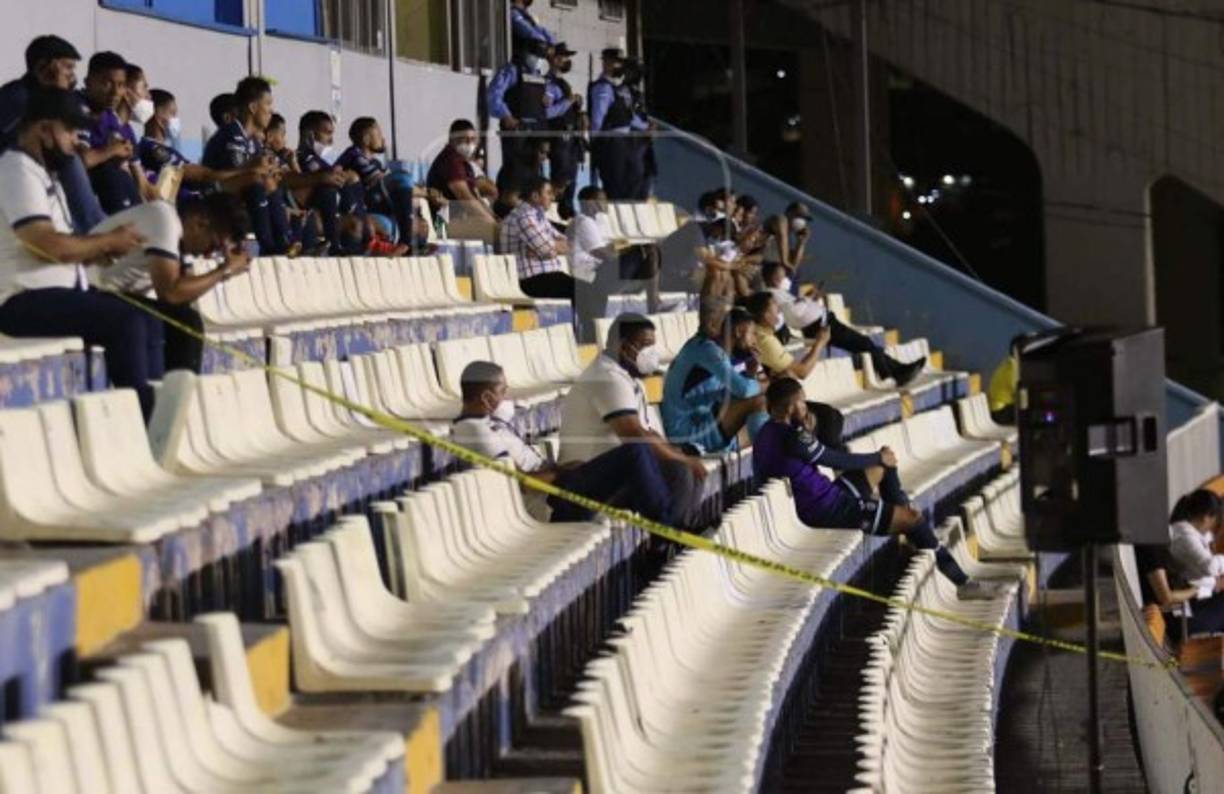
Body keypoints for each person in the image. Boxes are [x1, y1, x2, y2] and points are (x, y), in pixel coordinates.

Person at [0, 87, 156, 415]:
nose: (77, 141)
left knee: (148, 316)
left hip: (57, 293)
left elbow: (61, 245)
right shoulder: (16, 170)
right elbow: (44, 243)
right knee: (124, 320)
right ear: (43, 130)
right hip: (20, 300)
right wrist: (108, 241)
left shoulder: (44, 172)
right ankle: (143, 421)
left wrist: (99, 253)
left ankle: (152, 406)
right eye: (69, 131)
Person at [754, 378, 970, 586]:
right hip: (828, 509)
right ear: (792, 407)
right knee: (912, 517)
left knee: (885, 465)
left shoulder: (766, 434)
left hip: (826, 497)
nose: (807, 407)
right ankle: (960, 581)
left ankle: (902, 516)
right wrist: (876, 457)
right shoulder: (791, 438)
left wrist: (879, 460)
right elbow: (837, 460)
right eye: (803, 401)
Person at [453, 360, 690, 526]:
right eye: (502, 391)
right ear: (486, 397)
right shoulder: (476, 432)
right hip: (551, 504)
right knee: (635, 452)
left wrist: (563, 470)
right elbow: (523, 484)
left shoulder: (487, 423)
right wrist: (561, 474)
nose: (507, 396)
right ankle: (668, 527)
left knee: (655, 469)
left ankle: (667, 530)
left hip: (559, 486)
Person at [557, 313, 704, 529]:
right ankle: (670, 536)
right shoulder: (606, 377)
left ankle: (681, 533)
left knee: (684, 465)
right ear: (624, 347)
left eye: (652, 346)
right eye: (645, 345)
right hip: (590, 479)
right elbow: (633, 434)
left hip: (620, 472)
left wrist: (681, 456)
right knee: (678, 470)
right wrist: (680, 460)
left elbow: (648, 433)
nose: (651, 353)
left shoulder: (628, 378)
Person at [94, 193, 251, 375]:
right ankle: (169, 396)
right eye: (212, 246)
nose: (207, 255)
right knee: (185, 322)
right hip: (90, 292)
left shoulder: (175, 234)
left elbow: (183, 295)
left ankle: (169, 394)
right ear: (200, 222)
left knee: (177, 319)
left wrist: (223, 269)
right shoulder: (164, 220)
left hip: (110, 296)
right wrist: (224, 270)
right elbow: (170, 294)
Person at [0, 35, 106, 233]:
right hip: (19, 186)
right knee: (67, 157)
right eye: (67, 67)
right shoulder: (17, 96)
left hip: (46, 185)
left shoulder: (50, 99)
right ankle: (95, 229)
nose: (71, 76)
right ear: (43, 67)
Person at [757, 268, 925, 386]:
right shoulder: (773, 294)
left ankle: (899, 370)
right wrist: (804, 301)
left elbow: (797, 308)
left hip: (824, 321)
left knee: (866, 344)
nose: (786, 278)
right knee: (865, 343)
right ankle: (891, 373)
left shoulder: (781, 293)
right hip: (820, 326)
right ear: (773, 278)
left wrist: (809, 298)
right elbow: (794, 311)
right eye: (782, 275)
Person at [662, 305, 767, 455]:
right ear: (738, 331)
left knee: (768, 415)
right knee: (760, 401)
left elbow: (730, 395)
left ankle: (769, 457)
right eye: (753, 334)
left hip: (703, 422)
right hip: (686, 432)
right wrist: (766, 385)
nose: (755, 341)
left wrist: (750, 375)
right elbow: (743, 390)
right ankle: (767, 460)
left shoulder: (719, 354)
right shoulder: (707, 350)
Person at [203, 76, 290, 256]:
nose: (271, 111)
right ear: (253, 107)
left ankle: (285, 241)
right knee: (256, 179)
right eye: (267, 104)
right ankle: (269, 245)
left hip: (237, 191)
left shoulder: (252, 140)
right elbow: (233, 174)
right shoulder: (232, 133)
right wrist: (256, 169)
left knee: (267, 181)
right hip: (214, 192)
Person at [569, 185, 659, 340]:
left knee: (650, 253)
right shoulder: (584, 222)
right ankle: (654, 305)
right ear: (591, 202)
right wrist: (623, 251)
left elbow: (606, 251)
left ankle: (652, 296)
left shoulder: (591, 222)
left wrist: (620, 250)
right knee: (649, 249)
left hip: (596, 273)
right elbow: (605, 255)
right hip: (591, 275)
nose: (606, 203)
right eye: (602, 199)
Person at [81, 51, 152, 215]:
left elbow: (142, 183)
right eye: (107, 83)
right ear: (88, 82)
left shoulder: (112, 118)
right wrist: (112, 151)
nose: (114, 92)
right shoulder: (77, 108)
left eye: (120, 85)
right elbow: (80, 160)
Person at [336, 116, 416, 244]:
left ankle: (407, 243)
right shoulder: (354, 155)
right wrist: (426, 192)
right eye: (379, 133)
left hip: (377, 211)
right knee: (403, 177)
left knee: (419, 224)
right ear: (366, 139)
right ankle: (405, 243)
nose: (383, 138)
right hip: (360, 213)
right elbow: (384, 182)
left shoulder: (375, 162)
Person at [487, 39, 552, 190]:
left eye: (541, 56)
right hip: (517, 130)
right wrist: (506, 115)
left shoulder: (540, 74)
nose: (538, 59)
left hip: (536, 133)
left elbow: (543, 105)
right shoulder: (511, 70)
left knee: (534, 176)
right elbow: (493, 95)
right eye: (535, 55)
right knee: (515, 173)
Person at [589, 47, 649, 200]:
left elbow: (628, 116)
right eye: (617, 63)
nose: (621, 67)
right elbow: (597, 119)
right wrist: (596, 142)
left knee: (631, 183)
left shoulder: (619, 88)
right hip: (612, 142)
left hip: (625, 141)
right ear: (607, 63)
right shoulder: (603, 87)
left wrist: (645, 126)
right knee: (616, 185)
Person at [500, 176, 572, 299]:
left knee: (587, 288)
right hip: (532, 279)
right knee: (582, 290)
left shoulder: (539, 216)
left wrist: (549, 248)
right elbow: (546, 250)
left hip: (548, 276)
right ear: (535, 196)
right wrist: (549, 249)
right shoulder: (523, 217)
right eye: (548, 193)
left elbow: (568, 243)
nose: (553, 198)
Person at [1166, 489, 1224, 635]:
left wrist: (1214, 584)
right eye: (1216, 521)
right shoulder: (1185, 537)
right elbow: (1210, 567)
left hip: (1187, 609)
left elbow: (1202, 580)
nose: (1214, 528)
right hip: (1181, 618)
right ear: (1207, 517)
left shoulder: (1187, 533)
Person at [427, 119, 498, 227]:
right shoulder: (450, 160)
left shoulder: (464, 163)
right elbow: (465, 197)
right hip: (443, 225)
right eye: (464, 140)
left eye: (473, 139)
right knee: (499, 235)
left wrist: (495, 219)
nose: (470, 144)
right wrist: (493, 226)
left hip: (461, 218)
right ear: (452, 139)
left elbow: (476, 197)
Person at [543, 42, 584, 219]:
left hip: (571, 137)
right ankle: (557, 213)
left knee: (571, 180)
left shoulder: (562, 82)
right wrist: (568, 101)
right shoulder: (549, 84)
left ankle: (567, 211)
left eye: (567, 57)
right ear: (552, 59)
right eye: (562, 57)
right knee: (561, 179)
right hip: (559, 138)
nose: (566, 60)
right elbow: (548, 112)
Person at [762, 201, 812, 275]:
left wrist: (801, 243)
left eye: (804, 219)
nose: (802, 221)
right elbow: (781, 233)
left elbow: (793, 266)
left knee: (797, 274)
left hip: (772, 270)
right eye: (799, 216)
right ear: (789, 213)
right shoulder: (778, 219)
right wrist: (784, 261)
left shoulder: (789, 239)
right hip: (759, 263)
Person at [120, 63, 154, 146]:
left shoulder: (128, 130)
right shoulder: (105, 127)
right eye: (144, 87)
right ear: (126, 91)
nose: (149, 96)